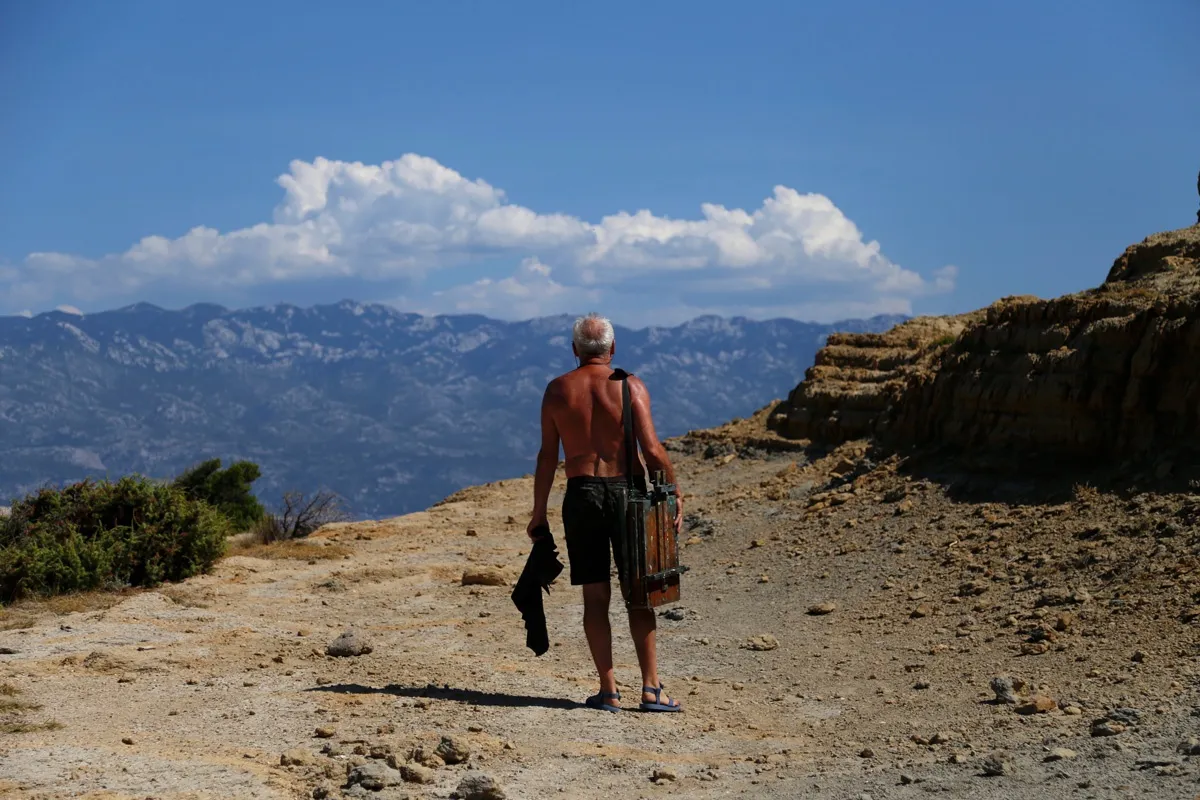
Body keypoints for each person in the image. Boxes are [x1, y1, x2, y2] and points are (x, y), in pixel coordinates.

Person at [527, 312, 684, 713]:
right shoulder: (630, 386)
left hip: (581, 495)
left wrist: (538, 512)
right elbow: (651, 450)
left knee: (595, 597)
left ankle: (609, 690)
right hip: (627, 493)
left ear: (575, 350)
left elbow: (548, 456)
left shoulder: (558, 390)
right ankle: (651, 688)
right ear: (613, 349)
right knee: (640, 595)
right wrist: (673, 493)